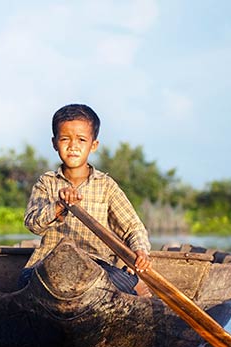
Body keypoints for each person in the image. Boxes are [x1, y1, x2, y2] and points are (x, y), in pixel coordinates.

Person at [19, 103, 152, 293]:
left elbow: (133, 228)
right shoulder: (46, 182)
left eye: (81, 140)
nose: (73, 146)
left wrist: (140, 251)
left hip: (96, 266)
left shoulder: (106, 185)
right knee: (25, 280)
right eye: (65, 139)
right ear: (55, 143)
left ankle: (135, 288)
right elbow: (33, 224)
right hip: (48, 262)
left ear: (93, 145)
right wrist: (58, 206)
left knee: (125, 282)